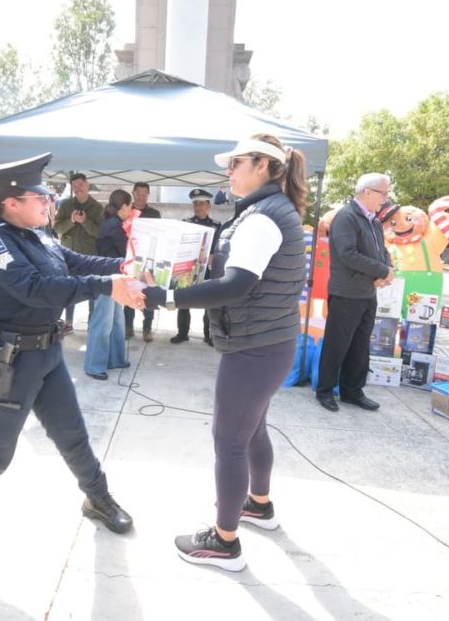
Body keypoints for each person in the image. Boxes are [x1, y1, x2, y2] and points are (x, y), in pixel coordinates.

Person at [0, 153, 143, 577]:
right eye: (40, 196)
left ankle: (98, 498)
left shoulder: (37, 235)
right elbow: (37, 289)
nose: (47, 202)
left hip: (45, 355)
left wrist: (127, 267)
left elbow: (77, 263)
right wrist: (108, 287)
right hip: (7, 362)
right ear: (10, 202)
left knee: (73, 435)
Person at [142, 134, 307, 572]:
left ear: (263, 165)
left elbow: (236, 284)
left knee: (229, 440)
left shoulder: (262, 218)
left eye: (236, 163)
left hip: (255, 347)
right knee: (252, 431)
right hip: (270, 342)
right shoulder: (269, 211)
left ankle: (224, 541)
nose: (228, 171)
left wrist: (168, 297)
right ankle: (259, 505)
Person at [314, 174, 394, 413]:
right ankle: (325, 390)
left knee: (360, 346)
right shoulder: (346, 217)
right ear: (367, 192)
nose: (386, 198)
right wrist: (381, 270)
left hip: (367, 292)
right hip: (346, 292)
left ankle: (352, 391)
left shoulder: (375, 222)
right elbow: (348, 254)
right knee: (337, 344)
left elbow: (383, 251)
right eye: (383, 193)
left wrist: (387, 269)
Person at [84, 189, 133, 380]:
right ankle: (94, 366)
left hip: (114, 279)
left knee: (116, 320)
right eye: (130, 205)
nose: (131, 209)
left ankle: (116, 359)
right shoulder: (115, 226)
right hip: (106, 280)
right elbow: (126, 251)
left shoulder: (113, 224)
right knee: (102, 322)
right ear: (124, 206)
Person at [170, 188, 221, 346]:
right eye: (195, 203)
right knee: (184, 302)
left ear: (208, 206)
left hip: (208, 269)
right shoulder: (186, 224)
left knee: (208, 303)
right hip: (188, 269)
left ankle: (208, 335)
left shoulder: (216, 226)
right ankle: (183, 333)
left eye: (201, 203)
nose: (197, 206)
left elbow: (218, 247)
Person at [53, 173, 103, 332]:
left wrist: (85, 222)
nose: (78, 189)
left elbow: (100, 233)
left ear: (87, 185)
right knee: (69, 290)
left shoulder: (97, 208)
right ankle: (68, 323)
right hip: (68, 255)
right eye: (75, 186)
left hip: (89, 257)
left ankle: (92, 324)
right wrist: (72, 221)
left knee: (92, 290)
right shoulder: (66, 205)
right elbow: (57, 228)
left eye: (80, 185)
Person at [126, 181, 161, 341]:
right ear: (133, 193)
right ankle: (128, 327)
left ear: (148, 195)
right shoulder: (127, 211)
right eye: (138, 193)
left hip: (149, 260)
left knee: (149, 296)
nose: (141, 197)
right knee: (129, 294)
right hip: (130, 259)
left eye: (144, 194)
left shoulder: (154, 213)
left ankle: (147, 328)